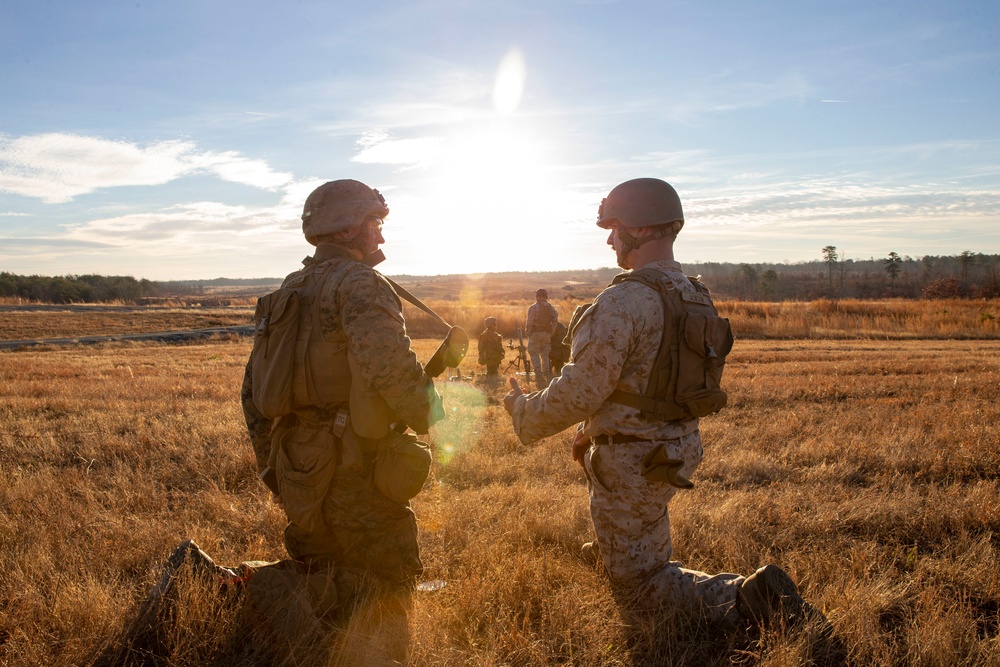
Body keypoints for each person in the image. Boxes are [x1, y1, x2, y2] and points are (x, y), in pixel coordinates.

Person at [503, 178, 818, 630]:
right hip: (674, 448)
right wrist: (594, 430)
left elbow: (580, 390)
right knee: (637, 534)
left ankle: (748, 600)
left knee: (640, 586)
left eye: (614, 227)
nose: (610, 239)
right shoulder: (695, 294)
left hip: (631, 457)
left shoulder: (624, 301)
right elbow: (652, 381)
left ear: (637, 227)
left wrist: (522, 409)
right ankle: (616, 551)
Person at [524, 288, 558, 386]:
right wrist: (551, 332)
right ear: (546, 296)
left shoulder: (533, 307)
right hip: (546, 334)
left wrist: (528, 332)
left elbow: (529, 322)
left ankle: (539, 376)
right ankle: (546, 374)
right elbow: (555, 320)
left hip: (535, 334)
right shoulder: (551, 308)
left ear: (537, 296)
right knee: (545, 355)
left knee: (534, 354)